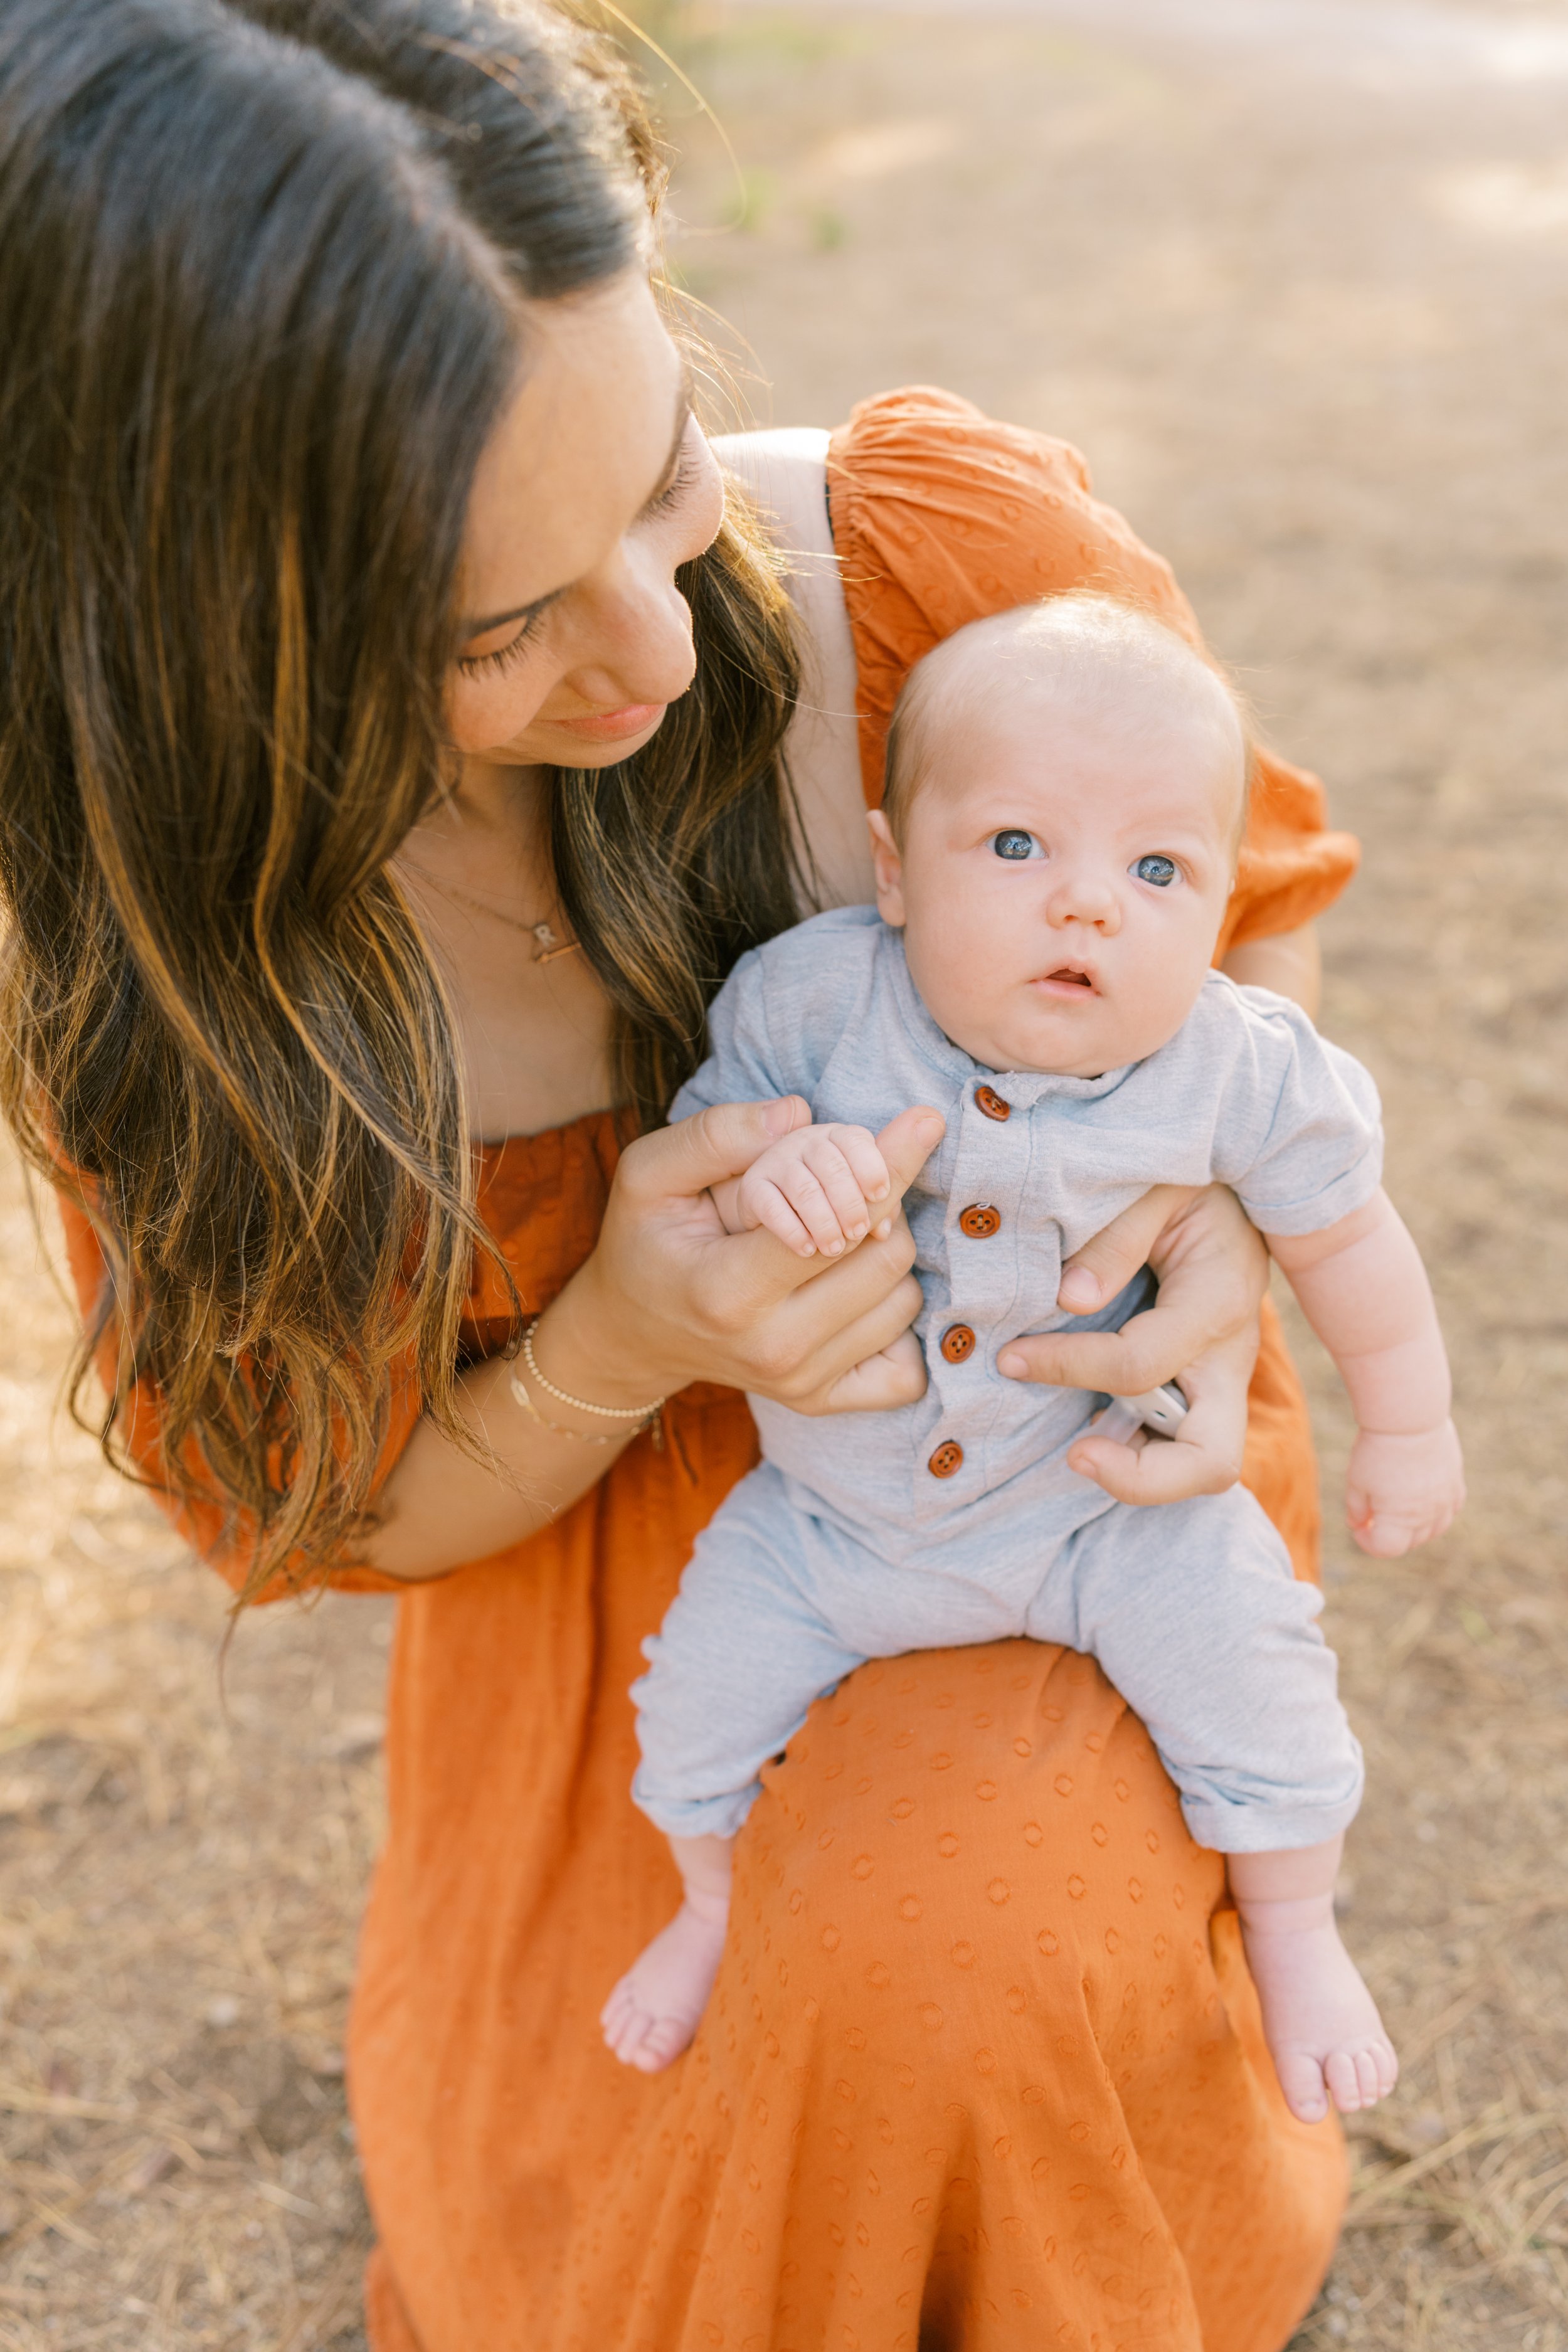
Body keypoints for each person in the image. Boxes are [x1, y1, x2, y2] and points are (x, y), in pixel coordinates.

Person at [0, 0, 1366, 2343]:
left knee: (954, 1956)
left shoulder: (942, 571)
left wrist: (1214, 1247)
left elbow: (1239, 973)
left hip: (1055, 1493)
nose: (651, 644)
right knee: (622, 2206)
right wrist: (625, 1336)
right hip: (612, 1618)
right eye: (495, 629)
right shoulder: (156, 968)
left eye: (657, 481)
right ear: (195, 649)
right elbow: (336, 1504)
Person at [608, 596, 1465, 2116]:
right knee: (688, 1707)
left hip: (1099, 1511)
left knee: (1254, 1670)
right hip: (827, 1523)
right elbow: (711, 1161)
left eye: (1155, 870)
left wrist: (1404, 1429)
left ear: (1215, 913)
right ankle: (708, 1904)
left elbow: (1348, 1248)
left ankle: (1293, 1924)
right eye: (1016, 848)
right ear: (891, 869)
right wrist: (767, 1181)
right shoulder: (810, 1004)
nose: (1086, 908)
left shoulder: (1235, 1064)